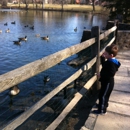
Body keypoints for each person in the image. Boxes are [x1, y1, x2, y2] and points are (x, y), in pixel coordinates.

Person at [93, 44, 121, 115]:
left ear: (111, 55)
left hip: (108, 82)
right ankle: (103, 105)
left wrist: (101, 75)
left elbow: (111, 73)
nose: (104, 54)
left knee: (103, 95)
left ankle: (102, 110)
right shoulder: (111, 61)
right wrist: (103, 58)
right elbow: (105, 66)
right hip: (107, 82)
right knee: (105, 95)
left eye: (106, 53)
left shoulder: (111, 63)